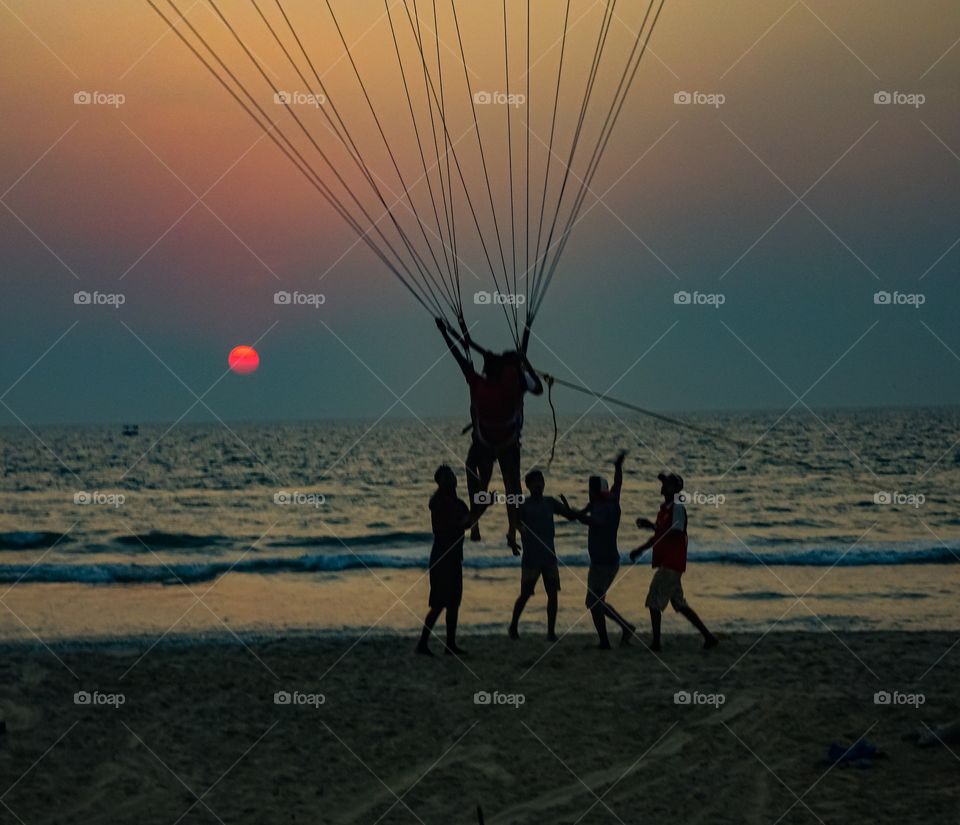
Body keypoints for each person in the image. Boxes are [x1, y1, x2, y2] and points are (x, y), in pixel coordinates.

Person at [436, 317, 543, 549]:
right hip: (507, 442)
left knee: (473, 470)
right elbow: (539, 387)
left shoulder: (478, 383)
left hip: (486, 442)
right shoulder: (516, 380)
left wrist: (444, 332)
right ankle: (513, 528)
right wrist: (525, 353)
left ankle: (476, 518)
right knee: (512, 485)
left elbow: (458, 357)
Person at [630, 471, 718, 651]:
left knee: (654, 601)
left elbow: (675, 532)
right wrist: (641, 549)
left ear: (676, 489)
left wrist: (651, 526)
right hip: (669, 562)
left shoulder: (677, 507)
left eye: (667, 484)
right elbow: (659, 536)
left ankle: (656, 643)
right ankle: (709, 637)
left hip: (672, 562)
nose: (662, 486)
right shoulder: (666, 509)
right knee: (679, 603)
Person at [570, 450, 637, 649]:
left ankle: (613, 636)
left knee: (593, 602)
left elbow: (594, 521)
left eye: (590, 489)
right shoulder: (604, 500)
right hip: (602, 562)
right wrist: (617, 466)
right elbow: (618, 483)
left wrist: (578, 515)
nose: (588, 492)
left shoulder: (605, 506)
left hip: (604, 563)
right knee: (595, 602)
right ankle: (621, 630)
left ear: (596, 491)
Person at [508, 469, 578, 641]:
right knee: (525, 594)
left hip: (549, 557)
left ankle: (551, 632)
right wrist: (513, 541)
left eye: (541, 481)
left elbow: (569, 516)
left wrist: (568, 507)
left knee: (553, 594)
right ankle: (513, 626)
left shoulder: (550, 502)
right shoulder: (523, 504)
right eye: (535, 482)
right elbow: (514, 524)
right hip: (531, 557)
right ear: (528, 486)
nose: (539, 485)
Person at [416, 465, 473, 656]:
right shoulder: (438, 502)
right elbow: (462, 522)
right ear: (439, 483)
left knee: (454, 604)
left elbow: (469, 522)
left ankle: (450, 645)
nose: (450, 479)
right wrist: (481, 507)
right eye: (445, 477)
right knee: (439, 604)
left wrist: (483, 505)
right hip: (441, 559)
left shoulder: (460, 504)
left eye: (452, 476)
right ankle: (422, 643)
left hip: (455, 558)